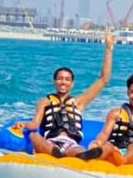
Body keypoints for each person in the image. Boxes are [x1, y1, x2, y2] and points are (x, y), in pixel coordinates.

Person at [22, 29, 115, 159]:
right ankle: (56, 153)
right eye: (60, 79)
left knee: (77, 150)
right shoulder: (44, 102)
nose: (63, 82)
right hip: (51, 142)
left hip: (71, 143)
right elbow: (35, 124)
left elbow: (104, 79)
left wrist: (108, 48)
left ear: (72, 84)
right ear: (54, 81)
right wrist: (23, 124)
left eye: (67, 79)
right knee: (33, 136)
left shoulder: (79, 102)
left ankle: (82, 155)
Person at [89, 72, 133, 165]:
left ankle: (121, 161)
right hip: (117, 149)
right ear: (128, 92)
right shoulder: (115, 113)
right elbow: (104, 134)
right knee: (108, 145)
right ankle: (93, 156)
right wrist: (96, 143)